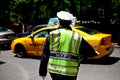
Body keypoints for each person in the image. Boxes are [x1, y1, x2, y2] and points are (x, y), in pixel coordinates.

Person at [39, 11, 97, 80]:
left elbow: (44, 56)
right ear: (70, 22)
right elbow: (90, 52)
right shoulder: (77, 37)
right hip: (70, 73)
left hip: (54, 72)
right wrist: (94, 53)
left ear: (59, 21)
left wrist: (42, 72)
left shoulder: (52, 35)